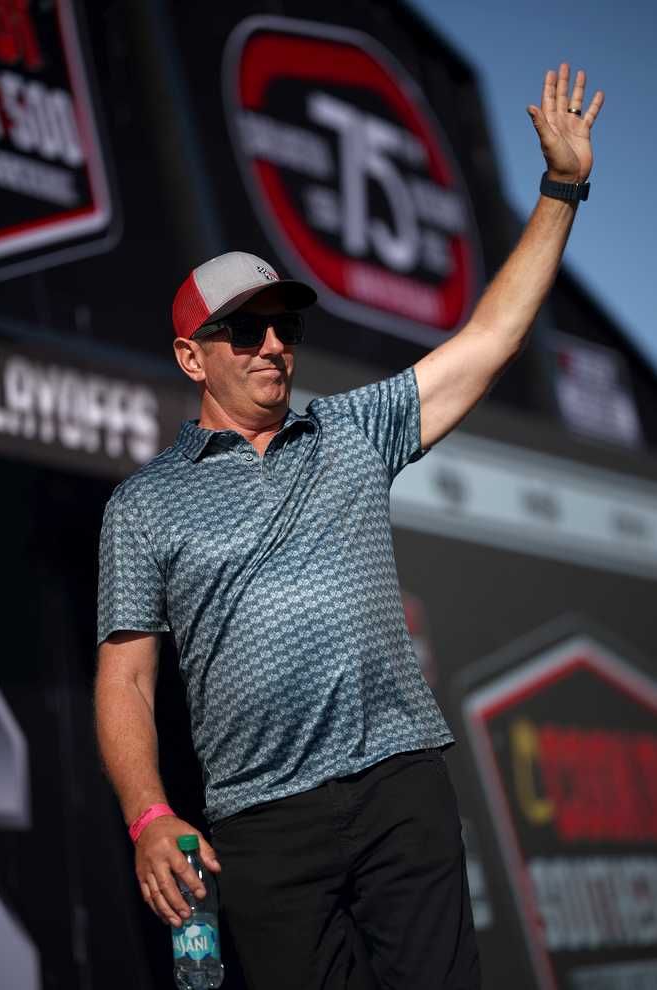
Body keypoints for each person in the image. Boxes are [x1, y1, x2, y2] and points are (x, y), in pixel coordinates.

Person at [94, 65, 604, 989]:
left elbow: (489, 342)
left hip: (398, 783)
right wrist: (147, 815)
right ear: (190, 357)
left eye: (281, 324)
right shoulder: (144, 504)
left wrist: (561, 189)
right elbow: (127, 681)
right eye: (243, 332)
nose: (273, 345)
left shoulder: (351, 429)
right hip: (261, 823)